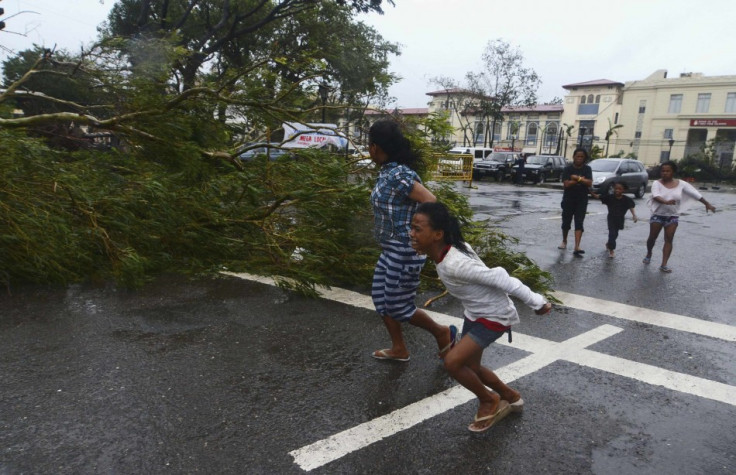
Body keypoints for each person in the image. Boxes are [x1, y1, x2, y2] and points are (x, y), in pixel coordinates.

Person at [410, 201, 552, 433]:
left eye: (418, 229)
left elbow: (501, 278)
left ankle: (488, 399)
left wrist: (538, 302)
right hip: (476, 313)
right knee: (470, 367)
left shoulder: (456, 264)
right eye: (412, 227)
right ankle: (510, 395)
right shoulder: (448, 249)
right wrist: (423, 248)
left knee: (453, 362)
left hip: (494, 316)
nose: (412, 233)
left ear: (437, 234)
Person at [368, 119, 457, 362]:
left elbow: (431, 200)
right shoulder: (388, 171)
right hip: (389, 248)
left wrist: (421, 235)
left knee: (398, 306)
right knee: (381, 299)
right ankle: (399, 348)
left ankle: (442, 333)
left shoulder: (399, 174)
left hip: (405, 250)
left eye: (369, 144)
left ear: (376, 147)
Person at [643, 160, 716, 272]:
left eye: (668, 171)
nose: (665, 173)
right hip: (657, 215)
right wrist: (666, 202)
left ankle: (664, 264)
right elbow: (656, 196)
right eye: (663, 171)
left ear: (673, 172)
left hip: (672, 216)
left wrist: (707, 204)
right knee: (652, 238)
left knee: (669, 239)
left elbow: (695, 194)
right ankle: (649, 253)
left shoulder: (682, 184)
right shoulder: (656, 183)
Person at [559, 148, 593, 256]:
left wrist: (576, 178)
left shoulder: (587, 169)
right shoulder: (568, 169)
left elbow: (589, 183)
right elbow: (566, 184)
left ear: (584, 158)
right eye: (577, 156)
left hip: (582, 199)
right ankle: (564, 240)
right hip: (569, 199)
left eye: (582, 157)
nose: (579, 158)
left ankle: (577, 245)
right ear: (573, 157)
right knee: (566, 222)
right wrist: (580, 179)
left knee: (579, 222)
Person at [600, 182, 638, 258]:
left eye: (619, 189)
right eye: (616, 188)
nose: (617, 190)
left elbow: (631, 207)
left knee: (615, 233)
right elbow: (599, 197)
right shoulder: (610, 197)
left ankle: (609, 243)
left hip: (620, 218)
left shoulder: (627, 199)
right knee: (612, 233)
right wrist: (591, 192)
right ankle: (611, 250)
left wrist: (634, 215)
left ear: (623, 190)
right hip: (611, 218)